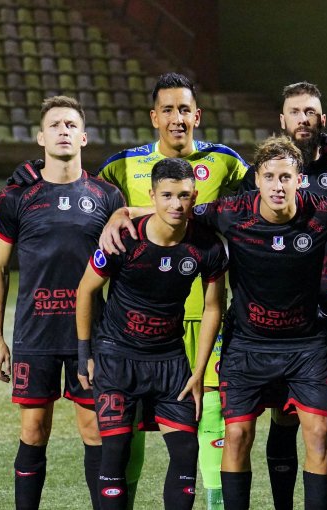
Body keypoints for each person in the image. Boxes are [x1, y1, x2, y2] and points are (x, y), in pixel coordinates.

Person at [10, 72, 249, 509]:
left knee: (211, 424)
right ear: (154, 116)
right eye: (168, 110)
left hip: (202, 318)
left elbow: (259, 201)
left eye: (185, 110)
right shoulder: (123, 164)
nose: (177, 118)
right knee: (125, 438)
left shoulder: (226, 161)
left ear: (197, 114)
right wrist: (32, 175)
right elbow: (85, 195)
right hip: (133, 330)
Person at [0, 95, 125, 509]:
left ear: (83, 136)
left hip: (93, 335)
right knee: (32, 430)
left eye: (70, 124)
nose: (62, 131)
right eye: (55, 125)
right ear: (40, 136)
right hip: (36, 334)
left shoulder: (107, 196)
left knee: (94, 431)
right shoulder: (16, 197)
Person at [238, 81, 327, 510]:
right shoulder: (263, 169)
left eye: (310, 111)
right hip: (281, 307)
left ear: (322, 118)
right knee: (281, 413)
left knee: (324, 415)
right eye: (295, 111)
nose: (303, 119)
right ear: (283, 119)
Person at [75, 158, 227, 510]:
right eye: (168, 195)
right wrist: (86, 354)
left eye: (185, 196)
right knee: (115, 450)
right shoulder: (124, 238)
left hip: (170, 360)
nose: (176, 204)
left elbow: (213, 308)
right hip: (118, 358)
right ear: (152, 195)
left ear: (195, 195)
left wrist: (199, 371)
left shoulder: (208, 247)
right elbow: (85, 291)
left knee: (187, 449)